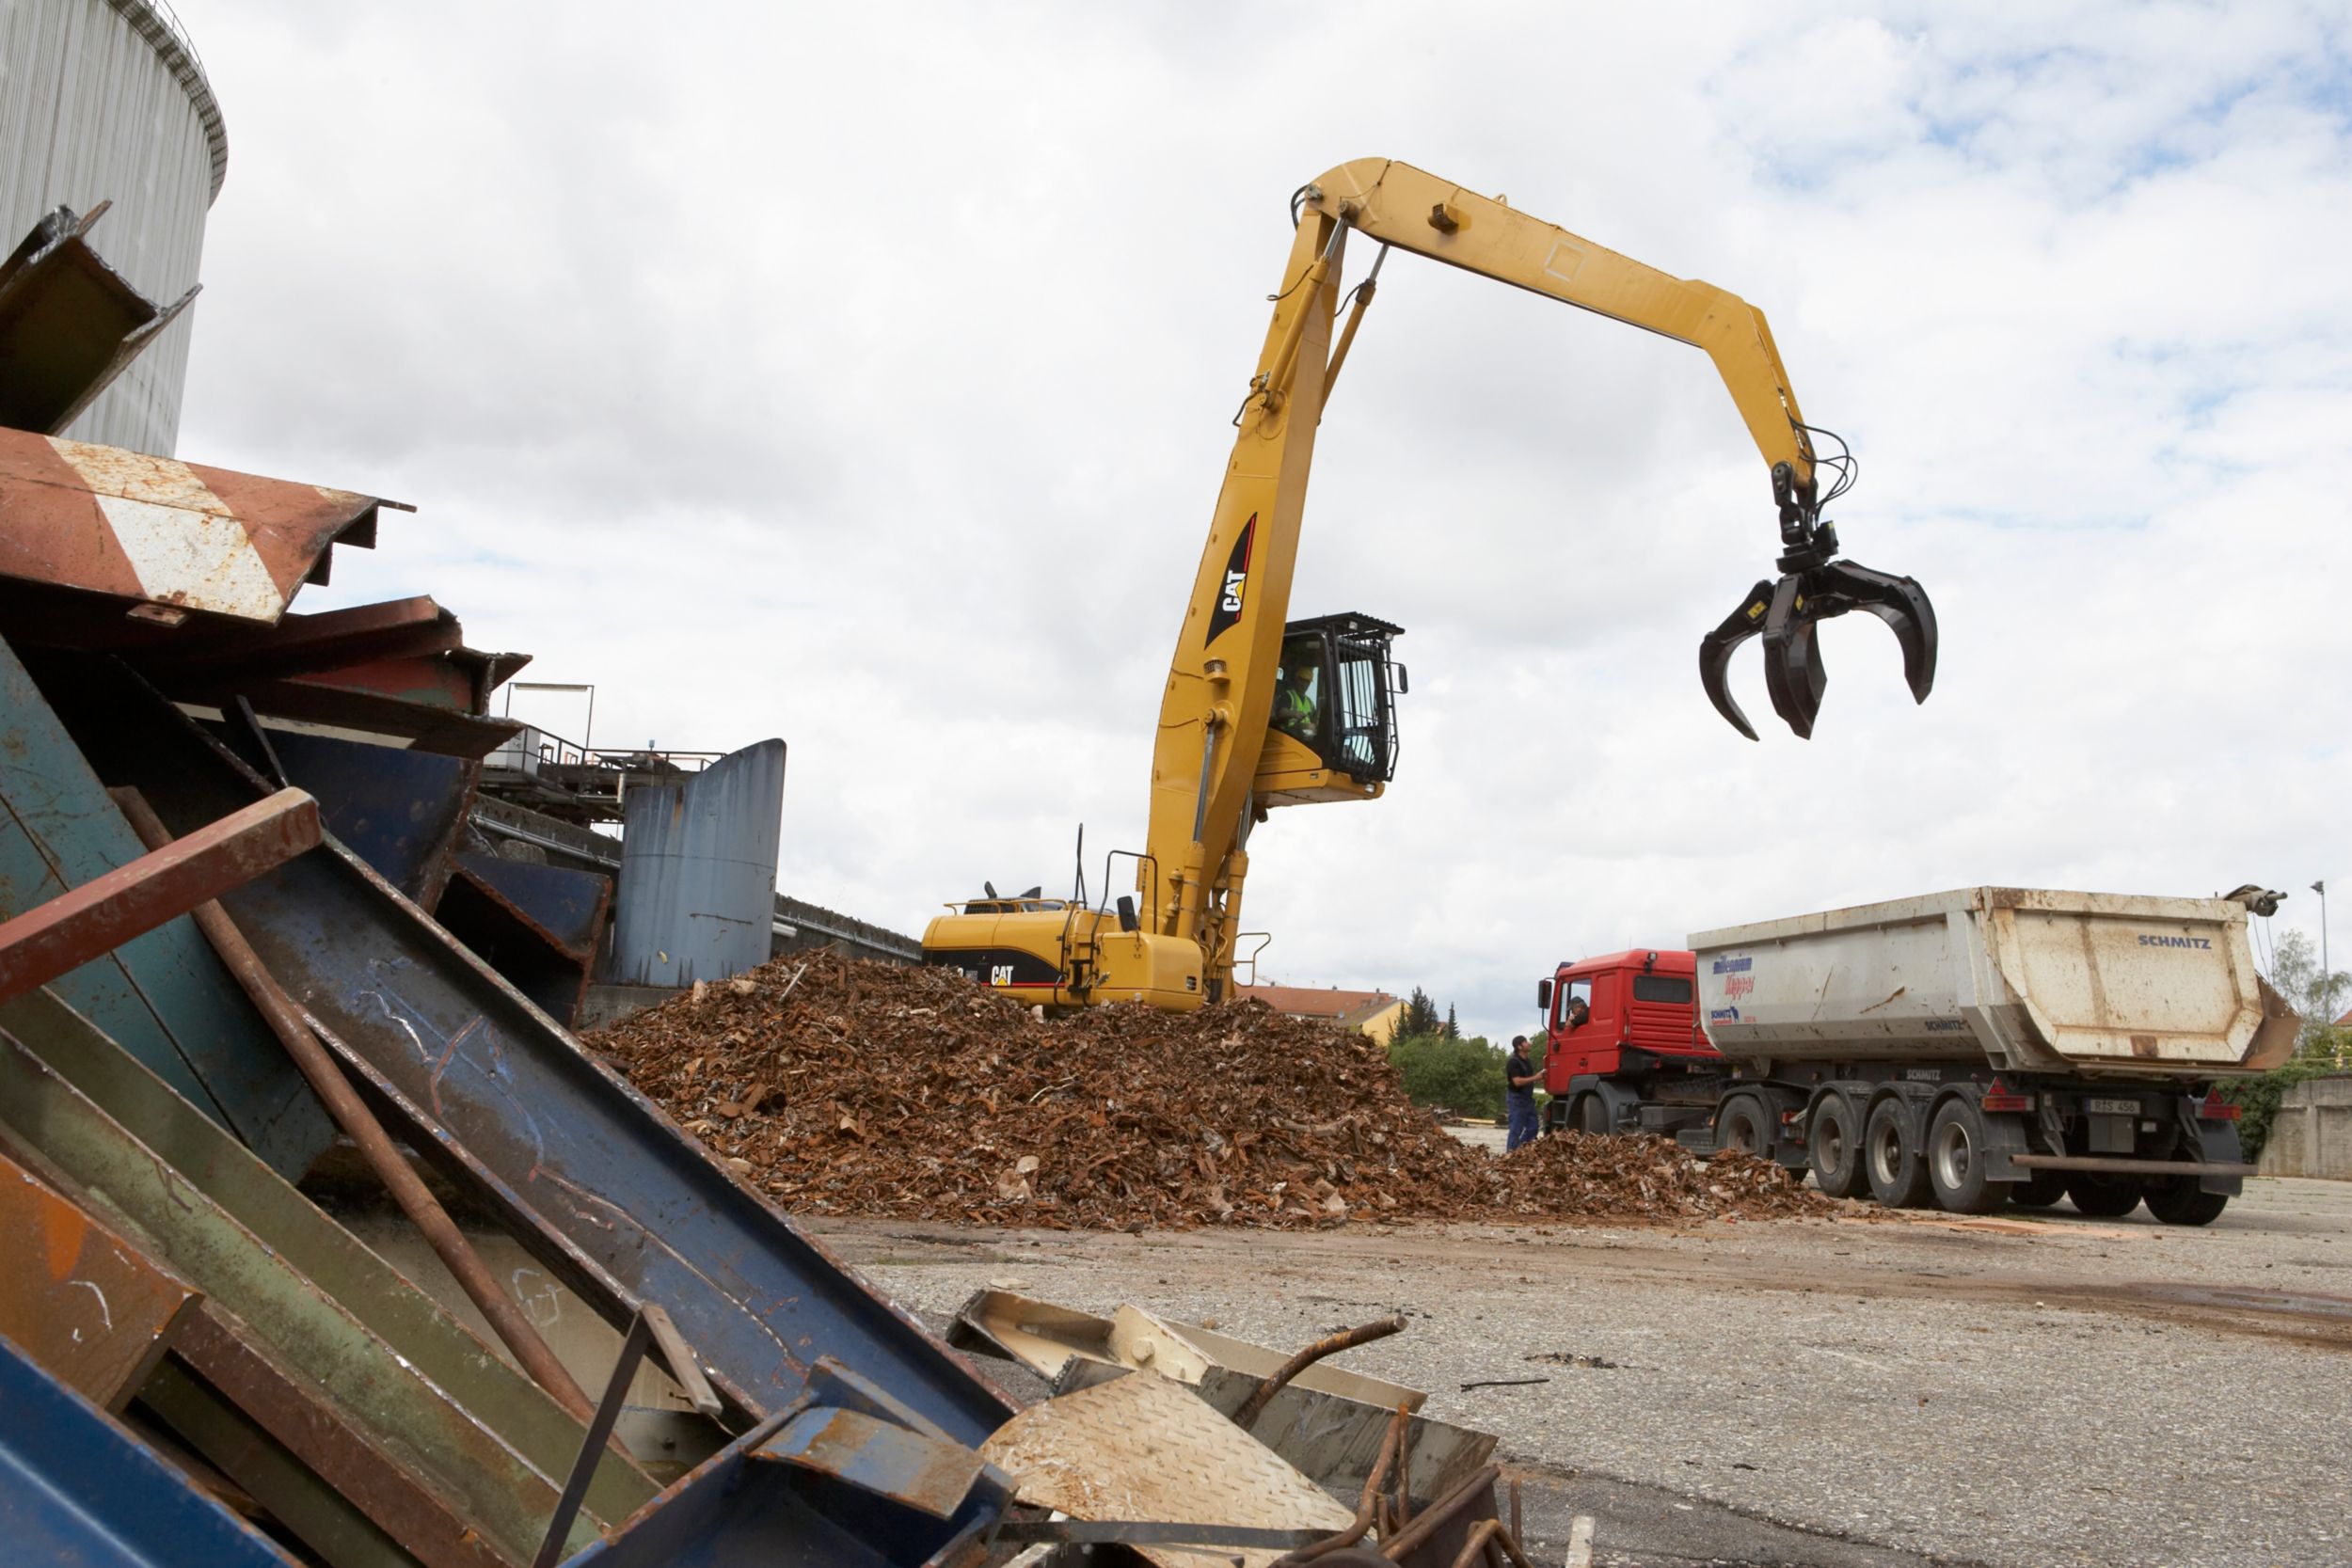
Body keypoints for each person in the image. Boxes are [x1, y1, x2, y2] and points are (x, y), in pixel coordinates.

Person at [1505, 1034, 1541, 1152]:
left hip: (1527, 1100)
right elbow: (1517, 1082)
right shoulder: (1513, 1062)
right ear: (1519, 1047)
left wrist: (1539, 1077)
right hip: (1516, 1099)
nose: (1528, 1043)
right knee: (1516, 1128)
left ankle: (1520, 1149)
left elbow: (1528, 1078)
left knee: (1533, 1127)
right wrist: (1535, 1078)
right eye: (1525, 1042)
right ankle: (1510, 1152)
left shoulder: (1527, 1061)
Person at [1272, 652, 1318, 740]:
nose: (1304, 684)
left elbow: (1314, 719)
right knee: (1310, 728)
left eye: (1307, 682)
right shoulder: (1288, 696)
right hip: (1289, 731)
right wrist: (1294, 713)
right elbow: (1281, 712)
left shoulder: (1310, 703)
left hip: (1304, 732)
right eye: (1302, 680)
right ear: (1297, 679)